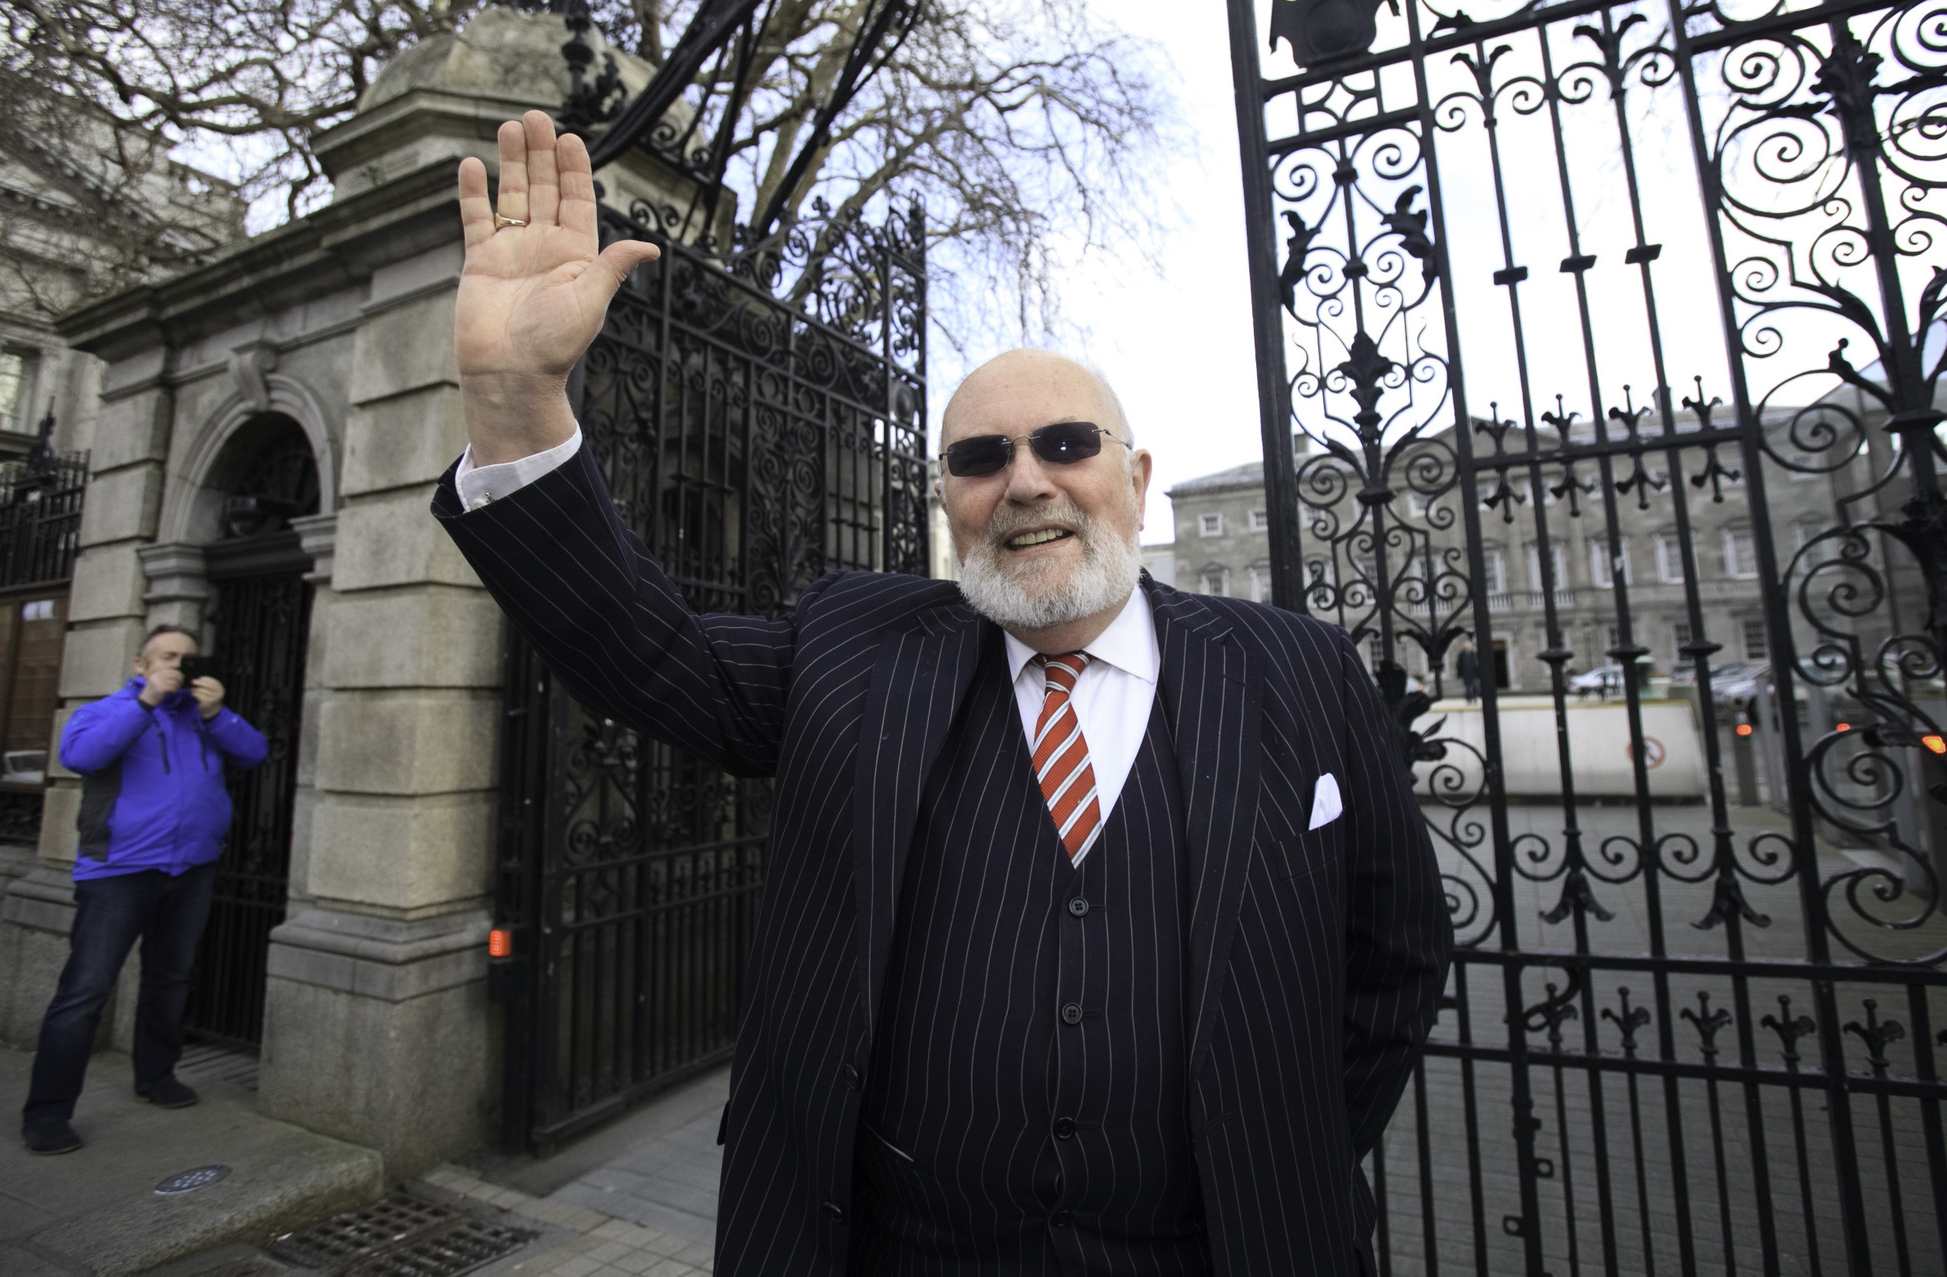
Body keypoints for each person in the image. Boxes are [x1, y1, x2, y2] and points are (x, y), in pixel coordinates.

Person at [438, 110, 1451, 1275]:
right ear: (948, 497)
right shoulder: (855, 647)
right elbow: (641, 650)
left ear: (1134, 478)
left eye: (1064, 443)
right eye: (978, 458)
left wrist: (1283, 1156)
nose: (1023, 481)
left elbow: (1393, 958)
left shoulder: (1296, 668)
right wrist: (516, 401)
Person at [20, 624, 269, 1155]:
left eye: (188, 658)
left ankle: (156, 1076)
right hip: (118, 871)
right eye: (167, 656)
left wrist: (216, 713)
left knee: (170, 979)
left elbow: (255, 752)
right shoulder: (106, 710)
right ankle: (47, 1113)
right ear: (141, 664)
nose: (179, 665)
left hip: (191, 868)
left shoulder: (202, 715)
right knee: (85, 991)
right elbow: (80, 757)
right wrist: (146, 703)